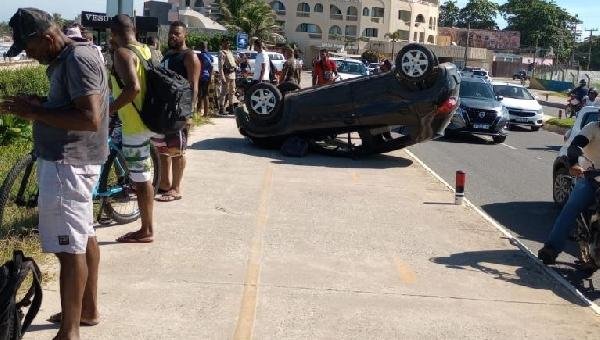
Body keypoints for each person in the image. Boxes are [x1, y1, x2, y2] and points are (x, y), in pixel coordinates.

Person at [1, 8, 108, 339]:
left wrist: (35, 113)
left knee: (68, 248)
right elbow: (75, 106)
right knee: (82, 235)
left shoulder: (77, 60)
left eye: (30, 49)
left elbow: (89, 118)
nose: (30, 57)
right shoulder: (74, 56)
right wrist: (43, 104)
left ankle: (69, 332)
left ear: (47, 38)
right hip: (74, 163)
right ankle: (86, 310)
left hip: (68, 165)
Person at [108, 14, 156, 244]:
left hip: (134, 125)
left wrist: (109, 109)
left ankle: (146, 229)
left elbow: (133, 89)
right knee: (140, 175)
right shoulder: (146, 50)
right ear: (134, 29)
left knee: (140, 179)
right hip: (148, 120)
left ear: (113, 33)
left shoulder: (122, 53)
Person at [538, 121, 600, 265]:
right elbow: (575, 146)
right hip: (591, 179)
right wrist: (574, 164)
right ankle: (551, 248)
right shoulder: (593, 128)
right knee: (571, 209)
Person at [153, 21, 200, 202]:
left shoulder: (189, 56)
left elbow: (193, 86)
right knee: (162, 149)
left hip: (179, 112)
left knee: (176, 150)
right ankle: (164, 184)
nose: (173, 36)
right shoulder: (168, 54)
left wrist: (188, 112)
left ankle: (176, 188)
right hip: (163, 112)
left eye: (177, 34)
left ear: (184, 35)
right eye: (171, 33)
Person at [218, 38, 237, 115]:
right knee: (223, 92)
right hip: (226, 75)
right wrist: (222, 77)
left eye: (228, 43)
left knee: (232, 92)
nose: (227, 44)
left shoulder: (230, 52)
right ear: (222, 43)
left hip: (232, 74)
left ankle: (231, 108)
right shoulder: (222, 53)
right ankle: (221, 109)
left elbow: (233, 63)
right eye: (226, 43)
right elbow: (220, 67)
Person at [198, 41, 213, 116]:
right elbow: (211, 67)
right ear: (206, 47)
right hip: (207, 77)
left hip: (200, 77)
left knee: (199, 95)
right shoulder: (209, 56)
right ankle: (206, 113)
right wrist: (210, 77)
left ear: (200, 47)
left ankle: (198, 112)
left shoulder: (200, 55)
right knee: (205, 94)